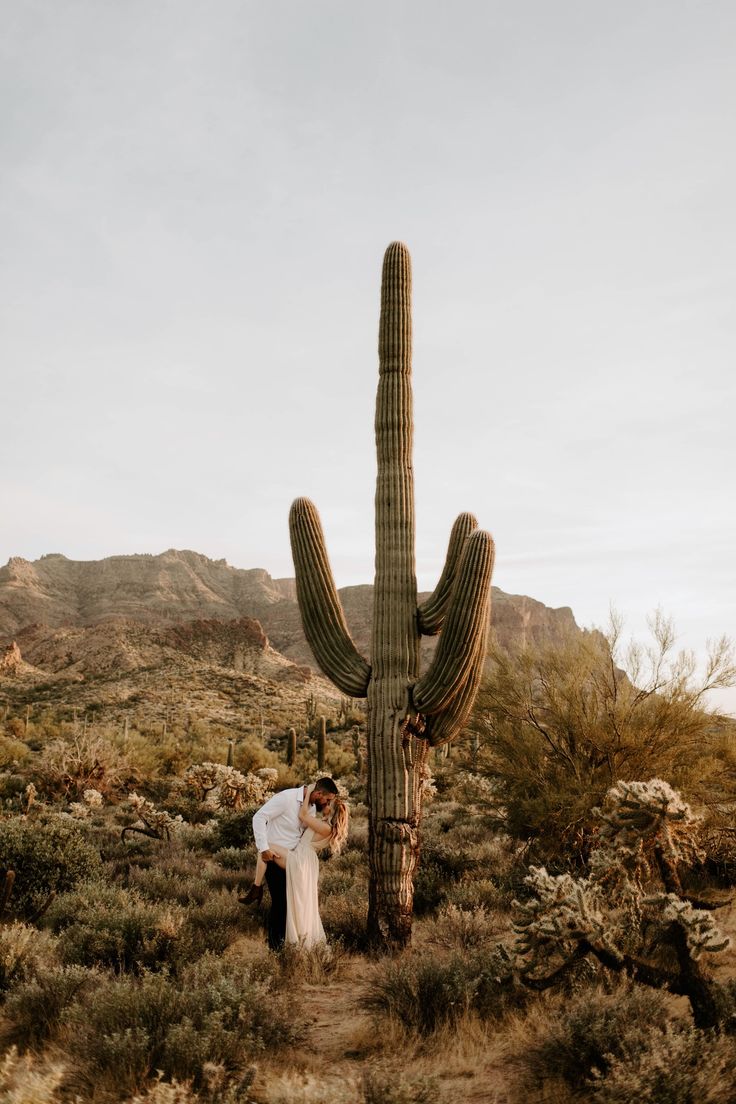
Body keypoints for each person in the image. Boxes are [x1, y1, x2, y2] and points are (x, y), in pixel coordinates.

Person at [242, 777, 348, 950]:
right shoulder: (287, 798)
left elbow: (303, 823)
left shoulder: (313, 810)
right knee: (280, 904)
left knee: (290, 906)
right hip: (278, 859)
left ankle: (257, 889)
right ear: (319, 793)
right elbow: (259, 817)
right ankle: (276, 947)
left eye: (330, 802)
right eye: (327, 799)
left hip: (295, 860)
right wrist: (263, 847)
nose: (327, 803)